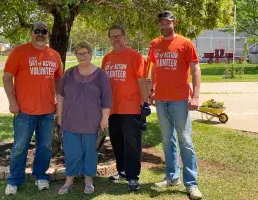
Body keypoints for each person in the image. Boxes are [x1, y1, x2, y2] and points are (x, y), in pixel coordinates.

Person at [3, 21, 63, 196]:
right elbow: (7, 78)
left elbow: (59, 80)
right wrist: (12, 102)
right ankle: (14, 181)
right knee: (20, 147)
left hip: (47, 111)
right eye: (37, 31)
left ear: (47, 34)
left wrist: (59, 101)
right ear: (31, 33)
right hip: (24, 111)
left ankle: (40, 176)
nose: (40, 34)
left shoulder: (54, 55)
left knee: (45, 147)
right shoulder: (20, 52)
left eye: (43, 31)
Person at [147, 11, 203, 200]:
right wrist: (152, 91)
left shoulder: (186, 43)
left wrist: (195, 96)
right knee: (167, 140)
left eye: (167, 23)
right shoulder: (155, 44)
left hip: (180, 100)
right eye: (161, 24)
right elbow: (154, 68)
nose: (164, 27)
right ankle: (172, 177)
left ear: (174, 23)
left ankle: (191, 183)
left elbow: (195, 69)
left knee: (185, 140)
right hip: (161, 100)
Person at [57, 42, 112, 195]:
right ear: (76, 56)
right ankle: (69, 181)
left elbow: (107, 100)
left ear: (90, 54)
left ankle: (89, 181)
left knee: (90, 152)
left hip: (92, 122)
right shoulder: (68, 74)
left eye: (85, 53)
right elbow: (60, 96)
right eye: (79, 53)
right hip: (70, 121)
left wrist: (104, 119)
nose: (82, 56)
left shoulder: (100, 74)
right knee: (72, 152)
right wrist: (60, 116)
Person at [102, 24, 150, 191]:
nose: (115, 39)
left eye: (118, 36)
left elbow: (142, 81)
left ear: (124, 36)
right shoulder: (107, 58)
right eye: (112, 36)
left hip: (131, 107)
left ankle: (133, 176)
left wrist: (145, 103)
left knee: (132, 143)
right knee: (117, 141)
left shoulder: (134, 56)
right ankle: (121, 171)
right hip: (113, 108)